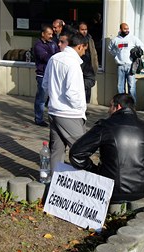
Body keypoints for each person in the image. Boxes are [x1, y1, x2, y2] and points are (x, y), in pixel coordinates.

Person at [69, 93, 144, 203]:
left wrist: (95, 171)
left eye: (110, 106)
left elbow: (76, 154)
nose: (108, 110)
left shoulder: (105, 126)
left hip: (110, 190)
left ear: (118, 107)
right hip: (142, 190)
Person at [43, 33, 89, 171]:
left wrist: (54, 98)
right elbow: (72, 93)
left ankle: (53, 182)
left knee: (57, 150)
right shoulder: (73, 63)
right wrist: (81, 107)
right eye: (84, 49)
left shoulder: (54, 58)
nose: (84, 53)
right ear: (80, 46)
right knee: (81, 150)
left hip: (54, 111)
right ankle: (84, 182)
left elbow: (45, 84)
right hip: (70, 114)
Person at [108, 23, 144, 102]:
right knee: (120, 86)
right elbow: (110, 49)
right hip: (120, 65)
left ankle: (132, 105)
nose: (127, 30)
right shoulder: (115, 40)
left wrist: (137, 53)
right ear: (120, 29)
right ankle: (122, 104)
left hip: (131, 65)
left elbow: (142, 47)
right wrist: (116, 56)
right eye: (125, 29)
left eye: (128, 28)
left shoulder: (133, 38)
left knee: (132, 87)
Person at [33, 24, 57, 126]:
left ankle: (52, 118)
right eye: (49, 34)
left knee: (52, 98)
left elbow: (58, 53)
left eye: (52, 34)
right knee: (41, 98)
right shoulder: (38, 45)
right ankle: (38, 119)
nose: (51, 36)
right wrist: (55, 56)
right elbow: (46, 58)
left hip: (52, 74)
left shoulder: (53, 43)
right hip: (42, 75)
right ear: (43, 34)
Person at [78, 22, 99, 104]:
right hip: (80, 66)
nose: (84, 31)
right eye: (82, 29)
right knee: (80, 88)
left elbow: (94, 53)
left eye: (85, 29)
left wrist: (95, 65)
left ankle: (85, 106)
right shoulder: (75, 40)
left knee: (88, 88)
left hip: (89, 66)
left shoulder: (90, 39)